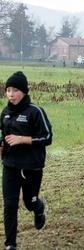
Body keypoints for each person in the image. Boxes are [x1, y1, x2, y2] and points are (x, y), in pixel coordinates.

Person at [0, 71, 53, 250]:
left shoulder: (35, 112)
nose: (11, 94)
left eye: (15, 90)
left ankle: (38, 208)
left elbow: (47, 137)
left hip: (31, 166)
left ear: (23, 91)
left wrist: (23, 139)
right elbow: (4, 137)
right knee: (9, 205)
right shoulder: (5, 113)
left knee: (29, 203)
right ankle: (10, 245)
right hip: (10, 165)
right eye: (8, 90)